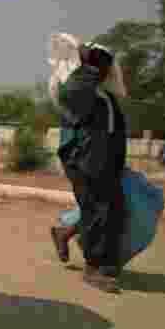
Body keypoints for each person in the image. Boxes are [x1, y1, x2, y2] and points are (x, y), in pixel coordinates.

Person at [48, 43, 128, 293]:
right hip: (84, 161)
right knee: (97, 209)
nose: (105, 70)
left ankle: (68, 234)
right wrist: (82, 57)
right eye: (100, 64)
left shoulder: (103, 96)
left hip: (103, 161)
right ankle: (94, 268)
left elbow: (113, 133)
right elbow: (77, 88)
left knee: (109, 209)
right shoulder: (79, 89)